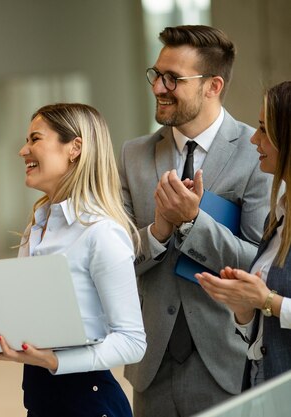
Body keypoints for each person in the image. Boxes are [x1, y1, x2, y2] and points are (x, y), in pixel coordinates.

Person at [119, 25, 272, 416]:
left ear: (212, 85)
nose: (158, 87)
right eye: (156, 75)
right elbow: (117, 259)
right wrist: (159, 230)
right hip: (151, 364)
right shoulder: (133, 155)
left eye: (173, 79)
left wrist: (192, 222)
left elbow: (260, 264)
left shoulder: (258, 153)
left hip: (229, 361)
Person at [0, 103, 146, 417]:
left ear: (75, 148)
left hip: (90, 405)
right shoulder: (35, 228)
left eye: (34, 139)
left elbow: (131, 342)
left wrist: (57, 362)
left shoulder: (101, 233)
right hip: (42, 402)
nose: (22, 150)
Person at [196, 81, 291, 389]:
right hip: (263, 381)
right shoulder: (277, 215)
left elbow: (273, 303)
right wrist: (243, 307)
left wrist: (267, 300)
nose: (254, 138)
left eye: (264, 129)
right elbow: (265, 330)